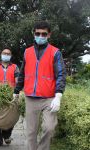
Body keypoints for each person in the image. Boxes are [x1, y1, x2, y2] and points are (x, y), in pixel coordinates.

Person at [13, 21, 66, 150]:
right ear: (34, 33)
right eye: (38, 33)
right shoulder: (27, 52)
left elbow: (61, 74)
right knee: (31, 133)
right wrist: (16, 91)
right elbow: (22, 73)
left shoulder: (55, 52)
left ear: (49, 35)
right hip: (31, 97)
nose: (40, 36)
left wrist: (58, 96)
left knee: (49, 128)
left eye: (44, 34)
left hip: (49, 98)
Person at [0, 48, 19, 147]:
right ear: (1, 54)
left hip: (11, 95)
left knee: (11, 117)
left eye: (8, 54)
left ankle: (7, 135)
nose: (6, 55)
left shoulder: (15, 67)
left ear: (11, 56)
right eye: (4, 53)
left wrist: (17, 91)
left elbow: (17, 81)